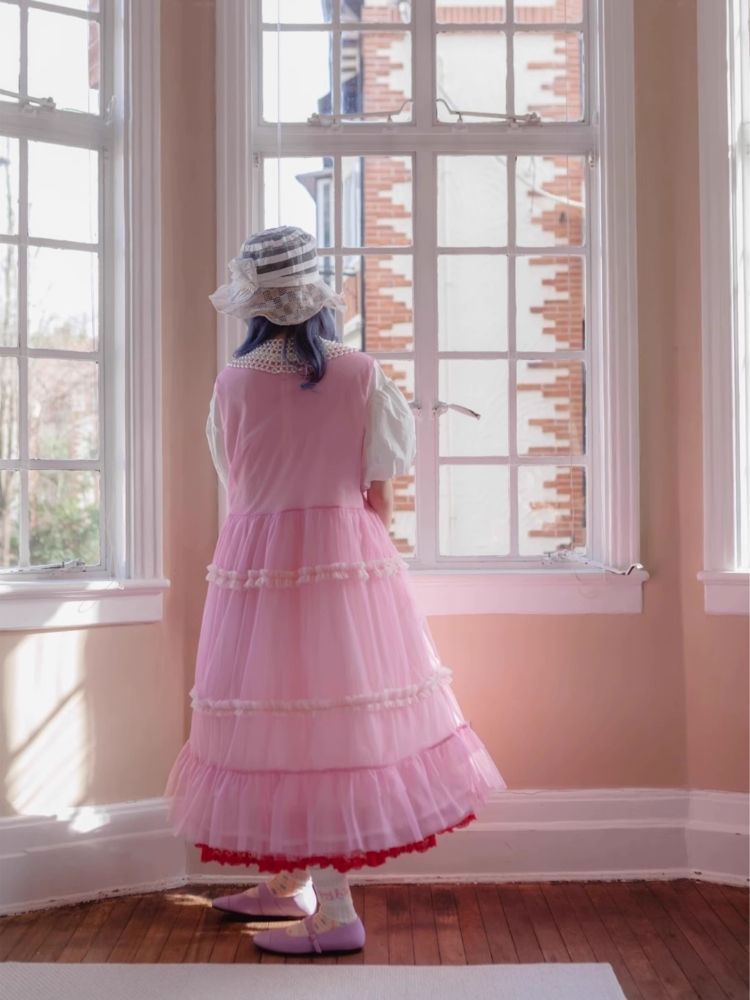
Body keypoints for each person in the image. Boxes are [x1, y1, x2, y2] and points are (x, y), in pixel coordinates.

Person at [163, 225, 506, 956]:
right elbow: (380, 492)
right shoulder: (360, 374)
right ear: (316, 298)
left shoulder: (231, 383)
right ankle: (292, 882)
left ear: (255, 305)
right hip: (343, 562)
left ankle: (337, 911)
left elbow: (238, 481)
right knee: (328, 715)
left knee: (281, 711)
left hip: (257, 565)